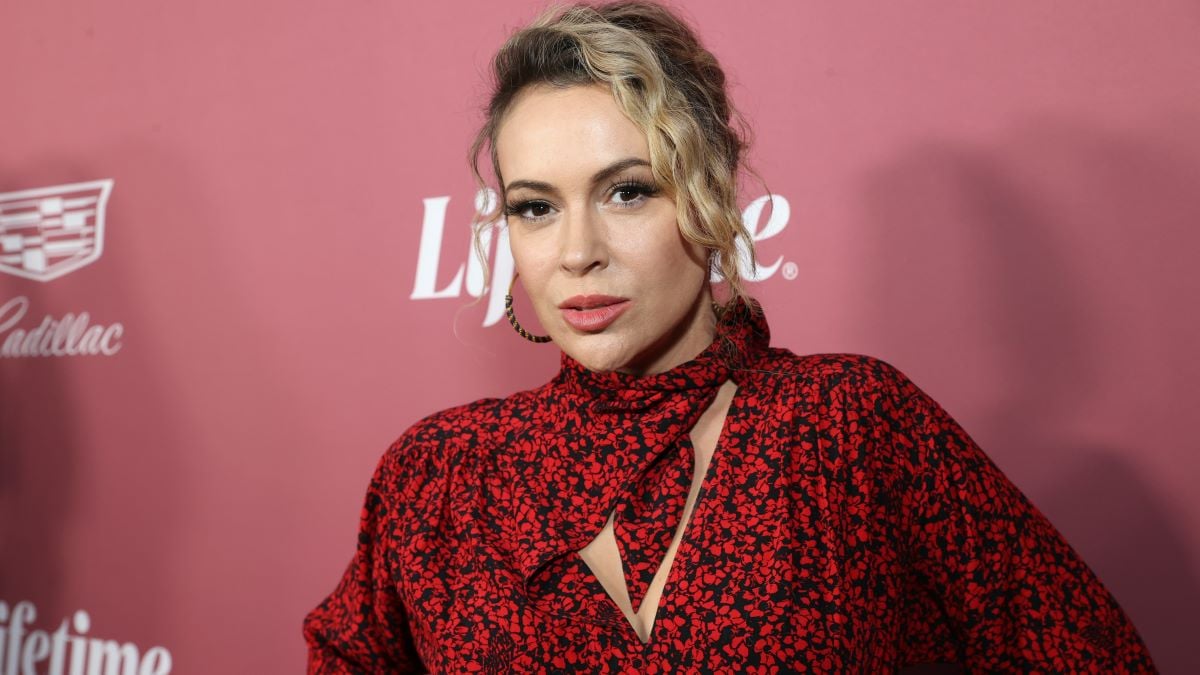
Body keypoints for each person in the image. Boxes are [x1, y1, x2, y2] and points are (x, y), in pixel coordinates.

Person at [302, 1, 1158, 672]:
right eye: (536, 207)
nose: (577, 252)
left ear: (708, 194)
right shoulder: (439, 475)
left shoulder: (846, 423)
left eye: (628, 191)